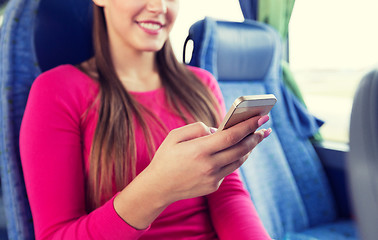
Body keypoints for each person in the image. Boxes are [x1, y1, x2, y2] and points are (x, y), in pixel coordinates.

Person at [19, 0, 272, 239]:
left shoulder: (202, 85)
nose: (159, 7)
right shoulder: (56, 91)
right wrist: (159, 187)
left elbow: (228, 196)